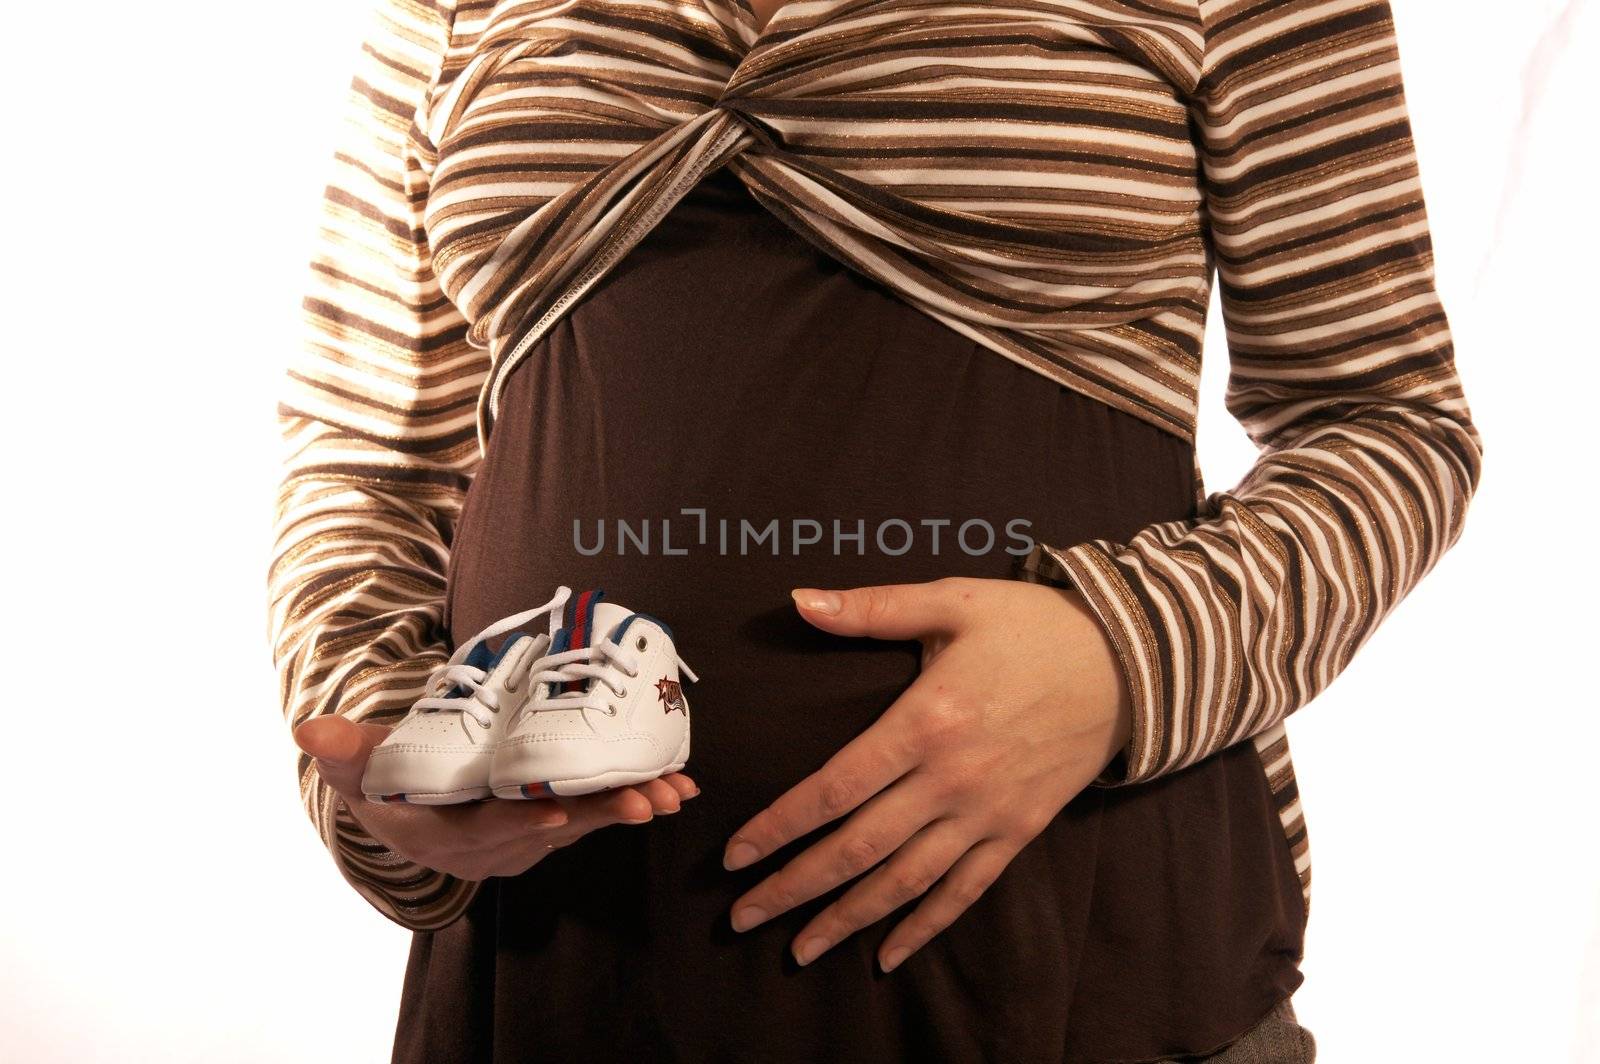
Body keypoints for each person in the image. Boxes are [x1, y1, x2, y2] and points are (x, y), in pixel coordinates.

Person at [269, 0, 1482, 1060]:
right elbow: (364, 453)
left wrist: (1121, 654)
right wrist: (386, 762)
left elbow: (1389, 421)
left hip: (1071, 948)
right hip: (566, 963)